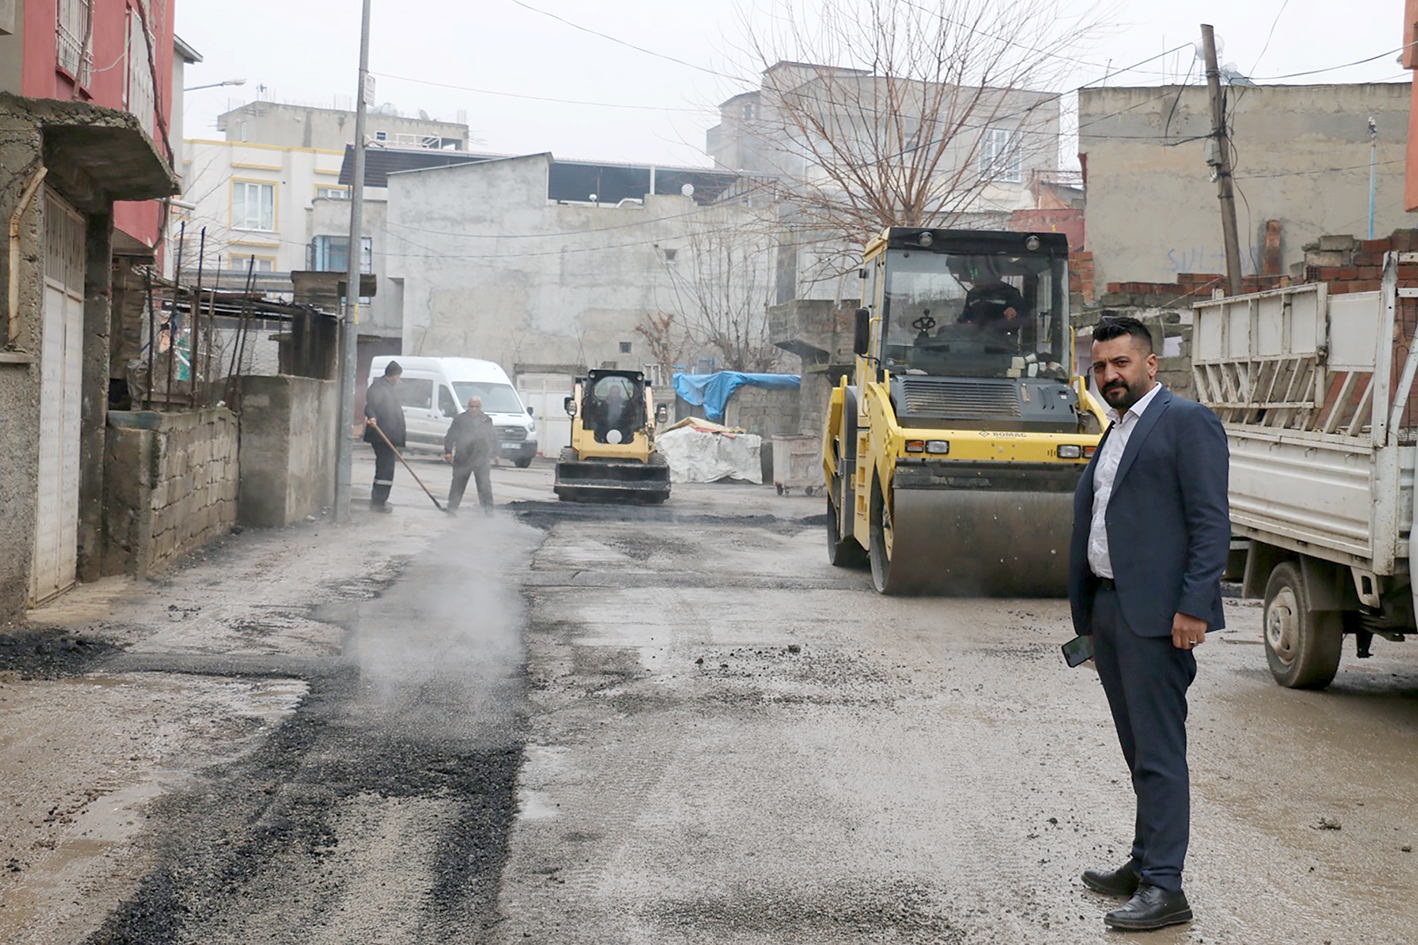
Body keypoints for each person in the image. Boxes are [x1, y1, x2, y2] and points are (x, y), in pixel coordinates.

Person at [1067, 316, 1230, 932]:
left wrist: (1192, 606)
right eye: (1100, 365)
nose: (1109, 375)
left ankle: (1166, 887)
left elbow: (1211, 522)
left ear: (1150, 365)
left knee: (1160, 753)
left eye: (1121, 364)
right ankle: (1144, 863)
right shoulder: (1116, 429)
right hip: (1111, 609)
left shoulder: (1187, 423)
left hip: (1160, 618)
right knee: (1138, 750)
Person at [443, 395, 500, 515]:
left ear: (480, 407)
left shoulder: (486, 420)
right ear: (468, 407)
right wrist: (448, 451)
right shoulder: (460, 420)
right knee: (458, 484)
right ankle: (452, 508)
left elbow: (493, 437)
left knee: (484, 485)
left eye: (476, 407)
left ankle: (488, 510)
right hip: (463, 457)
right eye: (471, 406)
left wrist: (496, 454)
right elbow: (450, 436)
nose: (474, 409)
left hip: (481, 457)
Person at [363, 360, 406, 513]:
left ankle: (379, 500)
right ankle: (378, 503)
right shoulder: (378, 388)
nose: (399, 379)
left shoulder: (387, 388)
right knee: (385, 469)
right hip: (382, 436)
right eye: (398, 376)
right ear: (393, 375)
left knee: (385, 468)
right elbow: (370, 405)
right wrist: (372, 416)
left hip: (389, 435)